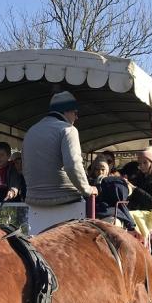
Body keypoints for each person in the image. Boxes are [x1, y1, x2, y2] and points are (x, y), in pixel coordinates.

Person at [22, 91, 98, 234]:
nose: (77, 117)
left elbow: (25, 167)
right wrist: (87, 189)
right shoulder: (68, 130)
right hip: (65, 200)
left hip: (33, 201)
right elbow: (72, 165)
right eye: (75, 112)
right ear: (67, 111)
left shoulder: (30, 132)